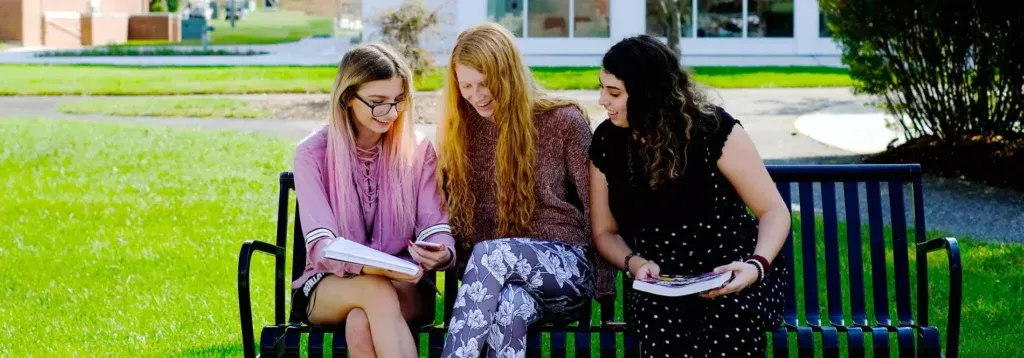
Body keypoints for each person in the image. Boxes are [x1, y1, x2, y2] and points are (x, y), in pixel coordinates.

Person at [589, 34, 789, 357]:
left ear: (647, 94)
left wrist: (755, 265)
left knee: (730, 322)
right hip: (660, 280)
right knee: (659, 325)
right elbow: (604, 231)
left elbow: (774, 211)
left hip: (732, 272)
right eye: (601, 88)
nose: (601, 100)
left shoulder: (711, 129)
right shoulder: (607, 142)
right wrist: (635, 263)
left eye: (613, 92)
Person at [435, 23, 613, 358]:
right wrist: (446, 255)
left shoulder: (563, 120)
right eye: (467, 85)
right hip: (500, 284)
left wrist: (604, 288)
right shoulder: (460, 132)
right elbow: (458, 214)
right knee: (509, 307)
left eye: (487, 82)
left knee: (492, 254)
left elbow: (596, 205)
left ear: (509, 74)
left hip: (566, 271)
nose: (478, 95)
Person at [290, 43, 456, 358]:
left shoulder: (417, 150)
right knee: (374, 291)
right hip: (329, 285)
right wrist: (372, 269)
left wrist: (441, 251)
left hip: (406, 287)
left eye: (398, 101)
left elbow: (435, 223)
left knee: (359, 322)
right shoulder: (312, 153)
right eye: (378, 103)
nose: (391, 114)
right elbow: (321, 245)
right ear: (348, 98)